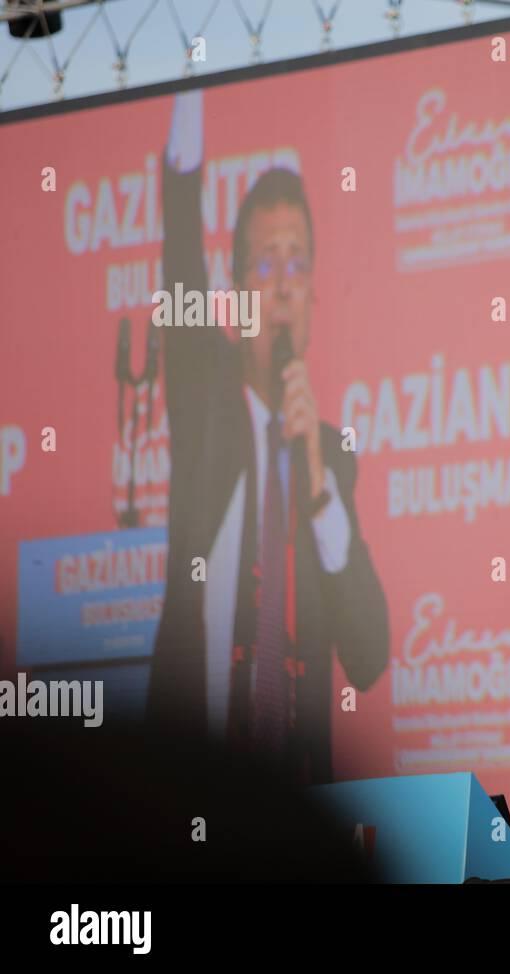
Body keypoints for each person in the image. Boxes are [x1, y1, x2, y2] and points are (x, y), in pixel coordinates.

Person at [146, 90, 388, 784]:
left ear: (313, 293)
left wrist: (315, 489)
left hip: (293, 802)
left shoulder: (332, 458)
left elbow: (368, 656)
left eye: (296, 263)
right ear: (236, 290)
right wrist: (189, 74)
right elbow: (180, 252)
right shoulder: (205, 398)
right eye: (264, 264)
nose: (281, 284)